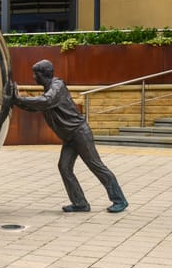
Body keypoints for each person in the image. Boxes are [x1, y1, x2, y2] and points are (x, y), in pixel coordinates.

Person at [13, 60, 128, 213]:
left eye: (36, 74)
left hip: (79, 133)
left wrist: (19, 99)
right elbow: (37, 107)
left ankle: (120, 200)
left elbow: (45, 101)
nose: (34, 77)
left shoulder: (57, 86)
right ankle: (80, 203)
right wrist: (15, 101)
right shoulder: (49, 91)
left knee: (96, 165)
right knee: (64, 167)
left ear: (44, 74)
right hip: (70, 137)